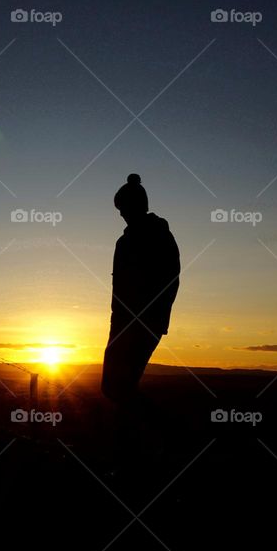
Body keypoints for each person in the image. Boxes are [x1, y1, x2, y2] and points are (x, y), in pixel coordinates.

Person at [101, 173, 180, 406]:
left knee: (119, 388)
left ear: (136, 206)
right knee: (115, 388)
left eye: (123, 208)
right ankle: (133, 438)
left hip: (141, 323)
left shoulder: (156, 236)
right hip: (123, 322)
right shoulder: (126, 240)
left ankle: (158, 436)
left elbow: (169, 279)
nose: (122, 215)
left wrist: (151, 316)